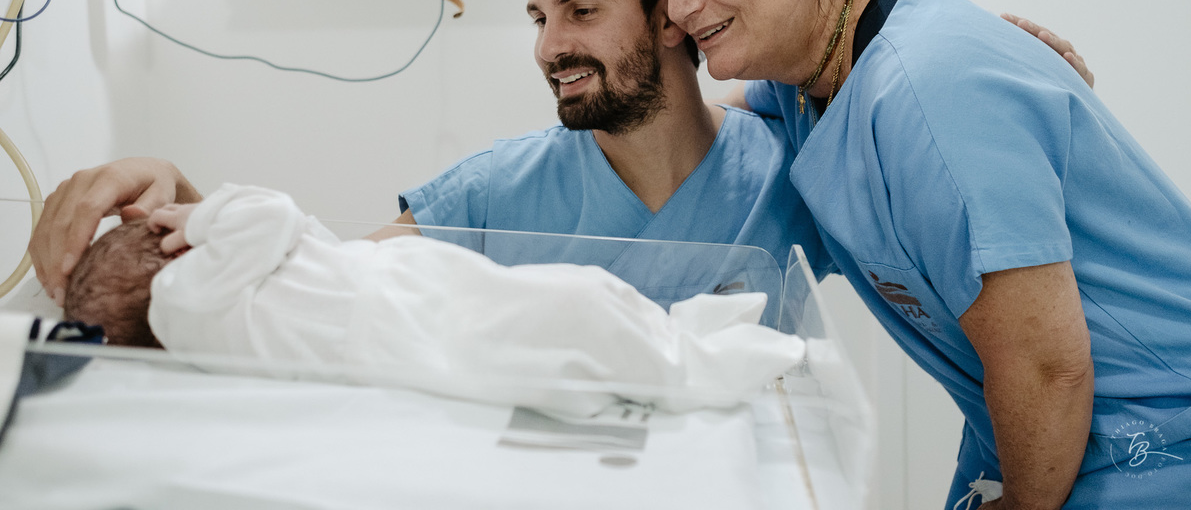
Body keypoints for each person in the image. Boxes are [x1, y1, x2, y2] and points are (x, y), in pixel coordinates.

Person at [27, 0, 1091, 307]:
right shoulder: (500, 185)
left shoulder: (789, 158)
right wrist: (197, 209)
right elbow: (320, 274)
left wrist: (985, 57)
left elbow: (914, 139)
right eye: (536, 18)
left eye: (579, 10)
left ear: (670, 19)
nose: (549, 47)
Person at [639, 0, 1191, 509]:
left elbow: (1047, 368)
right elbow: (719, 134)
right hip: (1038, 441)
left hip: (1156, 446)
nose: (678, 8)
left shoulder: (931, 91)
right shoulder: (809, 77)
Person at [61, 182, 804, 416]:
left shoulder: (236, 308)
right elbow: (273, 213)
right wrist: (206, 216)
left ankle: (677, 349)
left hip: (410, 300)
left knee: (573, 307)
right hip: (410, 316)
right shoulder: (187, 303)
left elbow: (305, 236)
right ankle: (686, 368)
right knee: (574, 306)